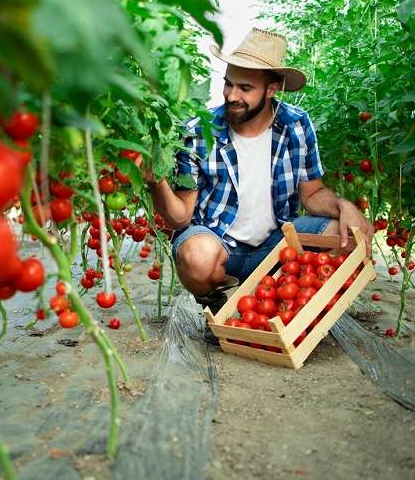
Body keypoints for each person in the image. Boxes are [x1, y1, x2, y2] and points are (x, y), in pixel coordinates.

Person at [144, 28, 374, 344]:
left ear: (271, 89)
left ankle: (289, 305)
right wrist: (156, 183)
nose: (231, 95)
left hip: (275, 248)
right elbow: (181, 216)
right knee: (196, 255)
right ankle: (219, 302)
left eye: (245, 88)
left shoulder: (296, 124)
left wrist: (344, 206)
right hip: (220, 247)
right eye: (228, 84)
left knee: (344, 234)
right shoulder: (199, 131)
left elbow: (313, 193)